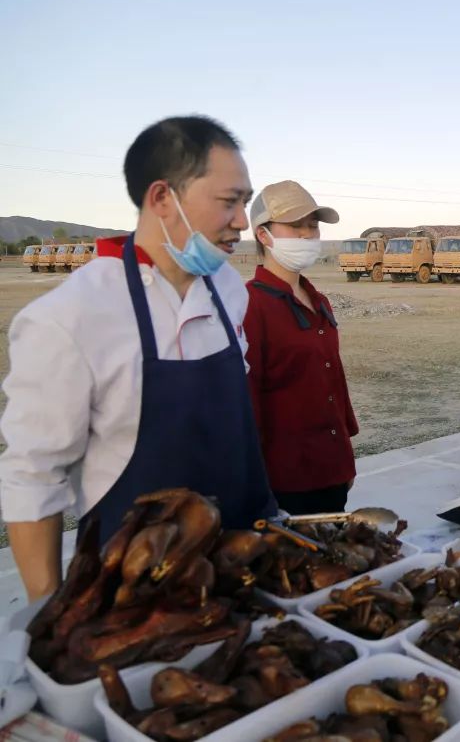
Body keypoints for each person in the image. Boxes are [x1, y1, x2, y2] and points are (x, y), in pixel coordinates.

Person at [0, 116, 277, 600]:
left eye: (245, 204)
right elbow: (32, 476)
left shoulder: (230, 289)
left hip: (249, 573)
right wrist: (51, 614)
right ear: (162, 198)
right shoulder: (70, 317)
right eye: (229, 202)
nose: (242, 223)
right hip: (138, 593)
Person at [244, 181, 359, 513]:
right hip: (286, 483)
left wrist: (345, 458)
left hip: (333, 473)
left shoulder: (319, 300)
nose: (308, 235)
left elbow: (333, 381)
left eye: (313, 225)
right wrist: (254, 483)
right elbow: (248, 401)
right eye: (296, 226)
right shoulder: (251, 305)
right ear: (263, 235)